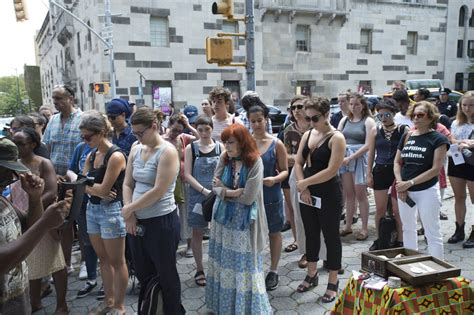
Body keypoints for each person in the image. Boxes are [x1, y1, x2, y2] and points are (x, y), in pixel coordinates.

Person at [122, 107, 184, 314]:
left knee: (166, 274)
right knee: (143, 273)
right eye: (135, 133)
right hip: (137, 222)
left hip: (162, 222)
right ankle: (151, 308)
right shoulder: (135, 148)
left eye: (141, 133)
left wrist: (130, 208)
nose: (138, 137)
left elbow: (159, 190)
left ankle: (174, 310)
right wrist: (130, 214)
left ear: (154, 127)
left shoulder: (167, 152)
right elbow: (128, 183)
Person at [206, 124, 271, 314]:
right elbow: (214, 186)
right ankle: (224, 307)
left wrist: (223, 191)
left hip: (244, 222)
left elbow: (249, 197)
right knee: (224, 263)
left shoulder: (255, 162)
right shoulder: (225, 158)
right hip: (223, 219)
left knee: (244, 265)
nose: (227, 146)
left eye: (231, 142)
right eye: (225, 142)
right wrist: (232, 192)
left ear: (242, 143)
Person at [0, 138, 68, 313]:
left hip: (16, 301)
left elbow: (29, 225)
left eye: (13, 172)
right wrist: (46, 222)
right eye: (5, 171)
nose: (11, 178)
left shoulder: (2, 200)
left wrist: (35, 198)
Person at [294, 96, 346, 303]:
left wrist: (305, 183)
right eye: (308, 119)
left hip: (328, 193)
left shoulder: (336, 138)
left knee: (331, 236)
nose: (311, 123)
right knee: (310, 233)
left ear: (326, 115)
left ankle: (333, 280)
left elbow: (332, 170)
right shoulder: (308, 134)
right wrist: (302, 185)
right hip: (307, 191)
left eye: (315, 118)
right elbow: (298, 162)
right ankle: (312, 273)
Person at [80, 112, 128, 315]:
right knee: (103, 259)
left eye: (87, 137)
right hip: (93, 209)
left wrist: (88, 186)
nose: (84, 140)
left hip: (111, 211)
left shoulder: (115, 156)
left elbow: (96, 186)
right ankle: (109, 301)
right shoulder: (92, 155)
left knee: (117, 261)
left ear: (101, 133)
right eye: (82, 137)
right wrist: (92, 187)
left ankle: (120, 306)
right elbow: (84, 185)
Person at [394, 101, 449, 259]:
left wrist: (409, 183)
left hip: (427, 190)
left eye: (420, 115)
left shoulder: (438, 139)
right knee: (408, 229)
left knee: (432, 231)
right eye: (414, 115)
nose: (416, 118)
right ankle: (411, 264)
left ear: (431, 117)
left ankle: (438, 268)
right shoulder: (407, 135)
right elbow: (397, 162)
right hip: (405, 189)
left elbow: (435, 169)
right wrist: (400, 185)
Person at [43, 84, 83, 273]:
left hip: (77, 181)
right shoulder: (52, 121)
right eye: (54, 99)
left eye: (59, 98)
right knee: (61, 223)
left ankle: (87, 263)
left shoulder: (83, 119)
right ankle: (65, 263)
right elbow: (47, 149)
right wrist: (50, 175)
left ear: (71, 98)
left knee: (81, 224)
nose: (56, 103)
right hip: (56, 181)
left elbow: (87, 151)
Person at [249, 105, 288, 290]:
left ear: (266, 120)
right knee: (250, 233)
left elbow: (285, 171)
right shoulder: (245, 142)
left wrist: (275, 179)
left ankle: (273, 270)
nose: (257, 124)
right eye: (253, 121)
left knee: (274, 232)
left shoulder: (276, 143)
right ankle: (253, 268)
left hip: (271, 194)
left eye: (260, 120)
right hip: (250, 196)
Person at [184, 115, 223, 287]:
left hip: (217, 194)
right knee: (197, 233)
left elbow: (223, 171)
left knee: (218, 232)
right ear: (196, 130)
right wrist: (204, 190)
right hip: (198, 196)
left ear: (212, 129)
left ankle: (217, 268)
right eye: (200, 129)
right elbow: (187, 174)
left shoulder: (220, 147)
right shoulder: (191, 148)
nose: (204, 133)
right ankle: (199, 268)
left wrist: (217, 189)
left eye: (207, 129)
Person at [367, 100, 407, 250]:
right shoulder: (375, 130)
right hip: (380, 170)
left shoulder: (403, 129)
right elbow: (371, 154)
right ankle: (379, 239)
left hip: (397, 172)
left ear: (394, 113)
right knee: (380, 210)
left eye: (387, 114)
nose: (383, 117)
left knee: (397, 210)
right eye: (380, 115)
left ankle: (400, 240)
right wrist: (368, 174)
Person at [339, 93, 376, 241]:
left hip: (360, 160)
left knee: (361, 194)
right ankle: (348, 225)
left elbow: (368, 145)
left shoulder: (368, 121)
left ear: (363, 106)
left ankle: (364, 228)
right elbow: (338, 137)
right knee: (349, 194)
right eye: (352, 104)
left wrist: (352, 157)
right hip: (346, 158)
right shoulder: (344, 120)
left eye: (357, 104)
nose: (354, 107)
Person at [163, 113, 198, 257]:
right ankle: (171, 244)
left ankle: (189, 246)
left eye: (179, 130)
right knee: (169, 215)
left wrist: (189, 126)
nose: (175, 133)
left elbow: (200, 138)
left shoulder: (184, 138)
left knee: (186, 214)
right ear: (169, 125)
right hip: (166, 183)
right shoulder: (161, 140)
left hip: (183, 181)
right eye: (174, 129)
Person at [282, 95, 311, 268]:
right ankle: (305, 250)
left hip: (316, 174)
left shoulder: (315, 126)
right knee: (298, 214)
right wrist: (301, 160)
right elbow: (285, 156)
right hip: (295, 175)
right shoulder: (289, 129)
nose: (297, 110)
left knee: (317, 214)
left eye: (300, 107)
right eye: (294, 108)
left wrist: (299, 160)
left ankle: (321, 252)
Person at [447, 91, 474, 247]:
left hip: (472, 161)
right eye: (464, 105)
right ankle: (459, 229)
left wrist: (470, 143)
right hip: (456, 160)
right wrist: (460, 142)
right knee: (459, 197)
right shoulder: (456, 122)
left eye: (471, 105)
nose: (467, 108)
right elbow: (452, 138)